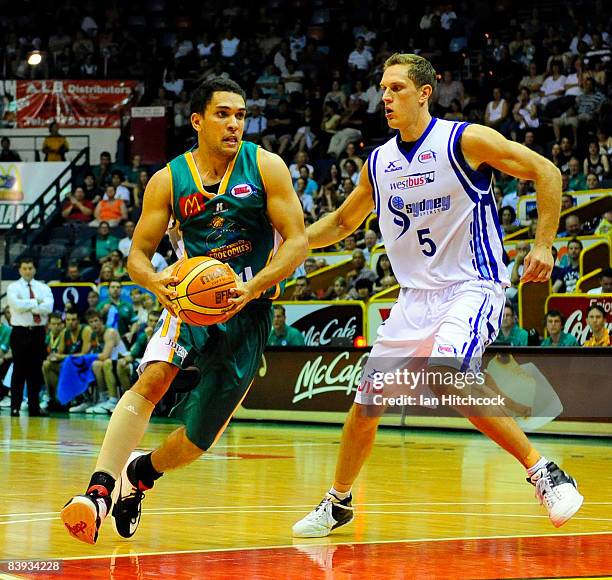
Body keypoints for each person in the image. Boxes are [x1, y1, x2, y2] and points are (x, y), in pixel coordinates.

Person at [292, 53, 583, 538]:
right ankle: (339, 501)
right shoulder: (379, 162)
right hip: (412, 301)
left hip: (472, 285)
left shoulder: (463, 140)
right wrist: (293, 245)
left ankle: (546, 471)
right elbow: (343, 223)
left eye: (397, 88)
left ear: (425, 93)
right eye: (383, 89)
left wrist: (544, 246)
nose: (386, 97)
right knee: (366, 404)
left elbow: (546, 173)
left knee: (446, 374)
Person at [61, 77, 308, 544]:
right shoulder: (169, 178)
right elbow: (137, 255)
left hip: (247, 306)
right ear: (198, 120)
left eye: (240, 114)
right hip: (189, 301)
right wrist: (156, 282)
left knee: (199, 439)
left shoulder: (266, 167)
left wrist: (254, 287)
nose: (234, 123)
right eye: (223, 114)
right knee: (152, 378)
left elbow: (297, 242)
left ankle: (140, 474)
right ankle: (97, 490)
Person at [7, 257, 54, 417]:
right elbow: (17, 306)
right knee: (18, 370)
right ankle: (15, 407)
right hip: (20, 332)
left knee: (35, 371)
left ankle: (34, 407)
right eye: (25, 268)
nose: (28, 271)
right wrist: (36, 302)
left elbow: (48, 308)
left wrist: (27, 304)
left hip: (38, 332)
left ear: (35, 269)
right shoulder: (13, 287)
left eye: (30, 268)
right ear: (19, 270)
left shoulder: (43, 287)